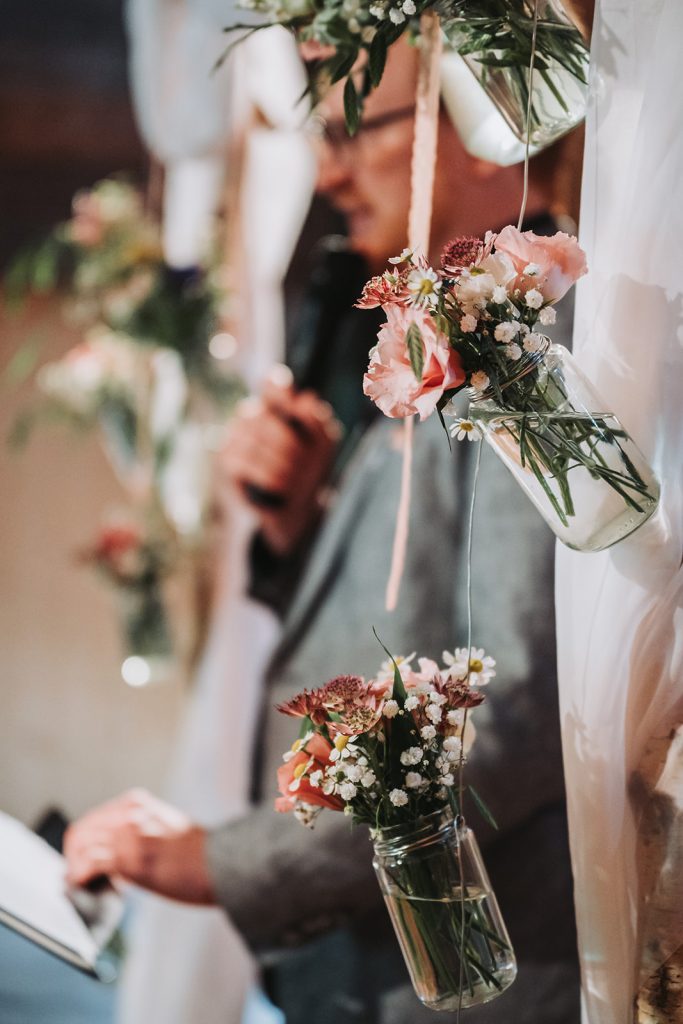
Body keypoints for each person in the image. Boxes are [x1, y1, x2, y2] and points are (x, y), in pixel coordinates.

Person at [65, 42, 580, 1024]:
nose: (329, 172)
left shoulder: (529, 352)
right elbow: (417, 613)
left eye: (353, 134)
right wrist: (297, 527)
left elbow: (510, 716)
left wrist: (221, 859)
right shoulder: (433, 340)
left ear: (475, 131)